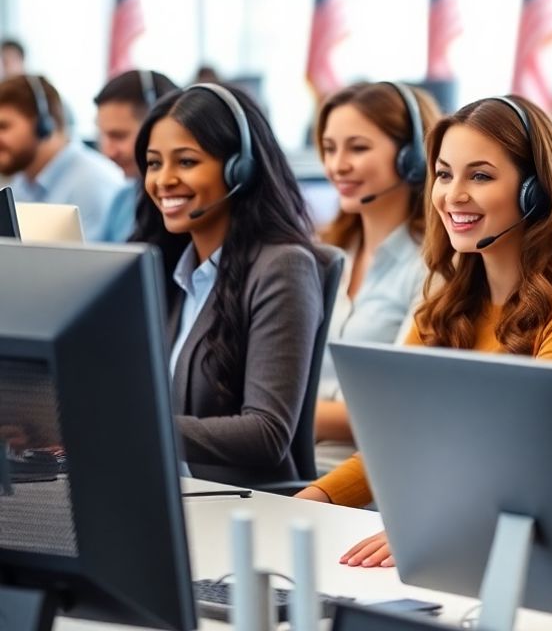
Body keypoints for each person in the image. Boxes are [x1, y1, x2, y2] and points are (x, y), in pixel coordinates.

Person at [295, 94, 552, 568]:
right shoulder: (448, 303)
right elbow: (396, 438)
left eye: (480, 176)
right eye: (444, 174)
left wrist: (431, 525)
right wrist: (309, 502)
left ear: (536, 191)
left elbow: (526, 449)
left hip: (513, 547)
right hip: (442, 531)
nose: (452, 194)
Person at [131, 83, 325, 485]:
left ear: (241, 168)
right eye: (153, 163)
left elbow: (267, 432)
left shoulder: (282, 267)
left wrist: (134, 427)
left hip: (239, 507)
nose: (164, 180)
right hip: (167, 493)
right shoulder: (166, 268)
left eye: (185, 162)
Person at [311, 81, 437, 473]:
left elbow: (394, 411)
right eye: (330, 149)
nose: (338, 165)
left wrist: (280, 413)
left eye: (358, 148)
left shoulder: (431, 267)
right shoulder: (325, 255)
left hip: (365, 482)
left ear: (411, 158)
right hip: (294, 465)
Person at [0, 74, 124, 237]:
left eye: (3, 126)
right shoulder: (21, 181)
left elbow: (98, 262)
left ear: (44, 125)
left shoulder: (92, 184)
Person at [93, 69, 178, 242]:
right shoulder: (123, 199)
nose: (108, 152)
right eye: (103, 136)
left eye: (119, 136)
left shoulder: (180, 204)